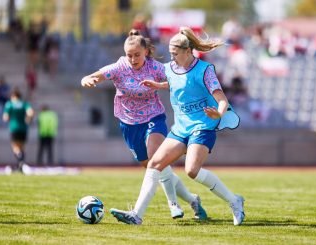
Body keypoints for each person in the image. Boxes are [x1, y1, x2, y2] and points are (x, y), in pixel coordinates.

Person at [110, 27, 245, 226]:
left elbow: (222, 99)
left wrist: (219, 112)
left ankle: (235, 201)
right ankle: (136, 215)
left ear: (188, 51)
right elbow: (175, 81)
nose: (171, 57)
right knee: (155, 164)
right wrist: (159, 85)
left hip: (203, 126)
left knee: (192, 170)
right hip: (181, 128)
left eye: (175, 53)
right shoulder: (170, 68)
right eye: (170, 53)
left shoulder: (205, 70)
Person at [81, 29, 207, 220]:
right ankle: (192, 200)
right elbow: (94, 76)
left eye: (137, 55)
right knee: (155, 166)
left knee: (156, 158)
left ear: (146, 52)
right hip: (129, 124)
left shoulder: (155, 68)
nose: (133, 59)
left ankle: (172, 204)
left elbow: (177, 77)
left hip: (153, 118)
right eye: (129, 55)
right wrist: (88, 79)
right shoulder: (119, 67)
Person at [3, 88, 34, 172]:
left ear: (13, 96)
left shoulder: (9, 104)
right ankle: (21, 165)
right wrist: (28, 119)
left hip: (14, 128)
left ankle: (20, 162)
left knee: (15, 147)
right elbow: (30, 112)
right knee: (22, 147)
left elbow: (5, 117)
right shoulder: (24, 104)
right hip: (24, 128)